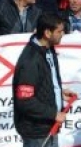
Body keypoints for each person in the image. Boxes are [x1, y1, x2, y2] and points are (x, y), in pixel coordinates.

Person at [13, 13, 76, 147]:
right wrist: (54, 114)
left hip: (49, 127)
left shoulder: (48, 49)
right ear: (47, 33)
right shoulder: (30, 61)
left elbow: (44, 81)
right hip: (36, 132)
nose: (62, 34)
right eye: (59, 31)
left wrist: (58, 92)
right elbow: (25, 101)